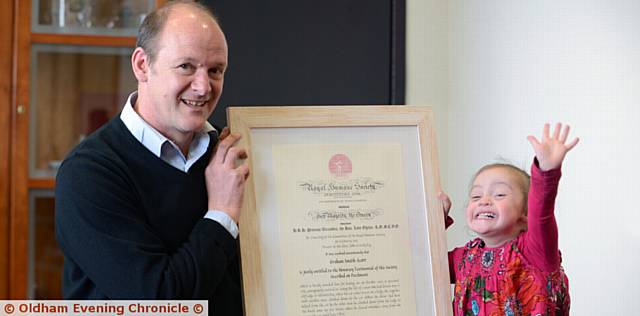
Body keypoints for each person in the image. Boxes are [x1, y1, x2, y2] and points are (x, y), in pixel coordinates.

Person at [54, 1, 248, 314]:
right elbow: (157, 299)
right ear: (142, 65)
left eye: (215, 70)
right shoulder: (88, 173)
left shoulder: (232, 154)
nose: (203, 87)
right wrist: (222, 214)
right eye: (186, 66)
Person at [441, 123, 577, 315]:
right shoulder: (463, 259)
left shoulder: (535, 251)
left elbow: (542, 212)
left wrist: (546, 172)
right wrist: (436, 221)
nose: (484, 201)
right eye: (476, 196)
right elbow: (423, 265)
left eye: (499, 194)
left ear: (525, 214)